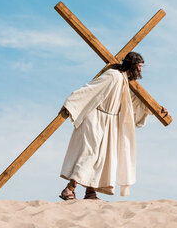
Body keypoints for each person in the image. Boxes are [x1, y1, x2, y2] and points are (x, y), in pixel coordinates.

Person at [59, 51, 168, 200]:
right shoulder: (113, 75)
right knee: (91, 153)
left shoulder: (126, 83)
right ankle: (69, 189)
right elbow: (91, 88)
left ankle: (90, 192)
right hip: (96, 118)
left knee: (101, 157)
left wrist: (156, 109)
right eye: (139, 66)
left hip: (109, 122)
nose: (141, 70)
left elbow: (135, 103)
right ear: (132, 65)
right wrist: (72, 101)